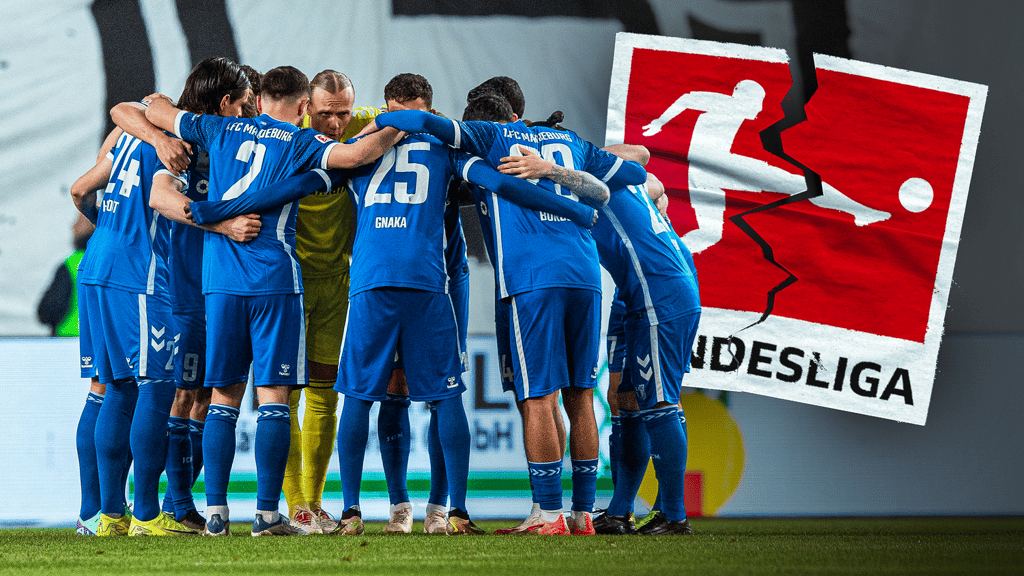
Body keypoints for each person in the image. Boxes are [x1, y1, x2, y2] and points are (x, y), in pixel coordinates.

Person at [143, 64, 403, 537]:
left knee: (221, 397)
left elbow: (155, 109)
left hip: (219, 282)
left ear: (258, 100)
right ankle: (267, 515)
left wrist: (162, 120)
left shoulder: (215, 126)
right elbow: (359, 153)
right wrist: (401, 123)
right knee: (275, 399)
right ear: (304, 107)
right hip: (276, 281)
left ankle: (216, 515)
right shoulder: (304, 142)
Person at [372, 90, 645, 535]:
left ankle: (549, 514)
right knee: (579, 396)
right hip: (584, 274)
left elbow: (434, 127)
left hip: (531, 279)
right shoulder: (568, 140)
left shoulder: (488, 136)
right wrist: (560, 171)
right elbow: (633, 172)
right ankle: (581, 514)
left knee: (537, 396)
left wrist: (388, 117)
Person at [504, 146, 700, 535]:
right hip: (631, 294)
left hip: (658, 287)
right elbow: (644, 164)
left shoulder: (585, 176)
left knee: (658, 399)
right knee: (622, 400)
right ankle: (620, 511)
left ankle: (674, 516)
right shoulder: (586, 179)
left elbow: (633, 162)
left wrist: (553, 166)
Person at [284, 69, 383, 535]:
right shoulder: (290, 138)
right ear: (307, 107)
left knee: (325, 393)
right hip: (289, 282)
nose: (337, 122)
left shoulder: (361, 120)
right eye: (327, 113)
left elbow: (415, 114)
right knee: (284, 394)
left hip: (337, 282)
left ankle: (316, 502)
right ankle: (295, 504)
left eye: (345, 112)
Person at [642, 79, 888, 253]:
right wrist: (659, 122)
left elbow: (688, 100)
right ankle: (858, 211)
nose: (759, 109)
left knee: (711, 234)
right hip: (724, 167)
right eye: (758, 101)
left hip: (705, 174)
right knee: (800, 183)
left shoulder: (729, 107)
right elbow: (688, 98)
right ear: (743, 96)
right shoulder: (724, 103)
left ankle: (667, 251)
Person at [37, 213, 94, 337]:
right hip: (103, 342)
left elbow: (48, 310)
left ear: (94, 226)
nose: (73, 226)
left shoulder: (73, 263)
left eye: (79, 222)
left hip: (68, 340)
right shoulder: (116, 261)